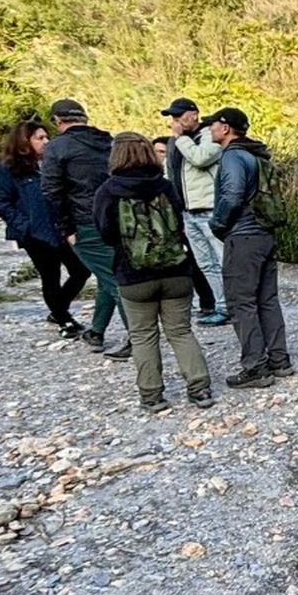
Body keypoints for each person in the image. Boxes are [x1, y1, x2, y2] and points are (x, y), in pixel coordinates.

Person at [93, 133, 215, 413]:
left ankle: (152, 395)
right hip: (176, 272)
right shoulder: (165, 186)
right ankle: (199, 388)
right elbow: (179, 225)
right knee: (180, 331)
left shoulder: (108, 191)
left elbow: (106, 233)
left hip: (133, 275)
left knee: (143, 335)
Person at [207, 106, 293, 387]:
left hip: (242, 236)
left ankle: (256, 367)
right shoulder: (257, 155)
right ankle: (279, 359)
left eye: (212, 124)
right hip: (264, 234)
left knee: (241, 302)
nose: (209, 129)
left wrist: (217, 224)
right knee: (267, 299)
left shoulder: (232, 157)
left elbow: (232, 195)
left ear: (225, 128)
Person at [39, 98, 129, 358]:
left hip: (85, 222)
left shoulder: (58, 147)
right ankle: (97, 331)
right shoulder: (108, 141)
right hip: (117, 217)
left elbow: (51, 191)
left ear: (57, 121)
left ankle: (138, 337)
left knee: (113, 279)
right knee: (106, 274)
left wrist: (65, 228)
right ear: (84, 118)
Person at [0, 120, 88, 337]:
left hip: (62, 227)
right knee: (50, 276)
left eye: (46, 137)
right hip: (35, 233)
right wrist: (24, 224)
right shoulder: (10, 169)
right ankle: (64, 321)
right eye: (39, 138)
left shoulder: (55, 163)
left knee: (81, 270)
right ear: (25, 142)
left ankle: (58, 310)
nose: (46, 141)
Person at [161, 98, 227, 325]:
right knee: (205, 263)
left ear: (194, 114)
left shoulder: (209, 135)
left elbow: (201, 158)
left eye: (179, 116)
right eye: (173, 117)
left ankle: (237, 303)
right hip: (188, 211)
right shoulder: (178, 142)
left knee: (223, 259)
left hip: (209, 208)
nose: (176, 121)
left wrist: (180, 139)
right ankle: (222, 306)